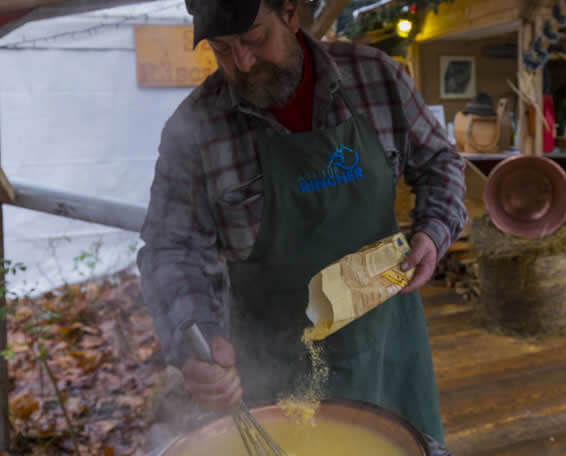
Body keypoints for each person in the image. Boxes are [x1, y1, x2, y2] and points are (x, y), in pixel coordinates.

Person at [137, 0, 466, 445]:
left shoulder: (377, 78)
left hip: (386, 346)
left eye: (254, 39)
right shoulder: (197, 128)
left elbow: (441, 161)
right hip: (273, 364)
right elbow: (169, 249)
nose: (244, 62)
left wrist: (433, 229)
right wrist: (193, 343)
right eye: (222, 48)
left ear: (290, 14)